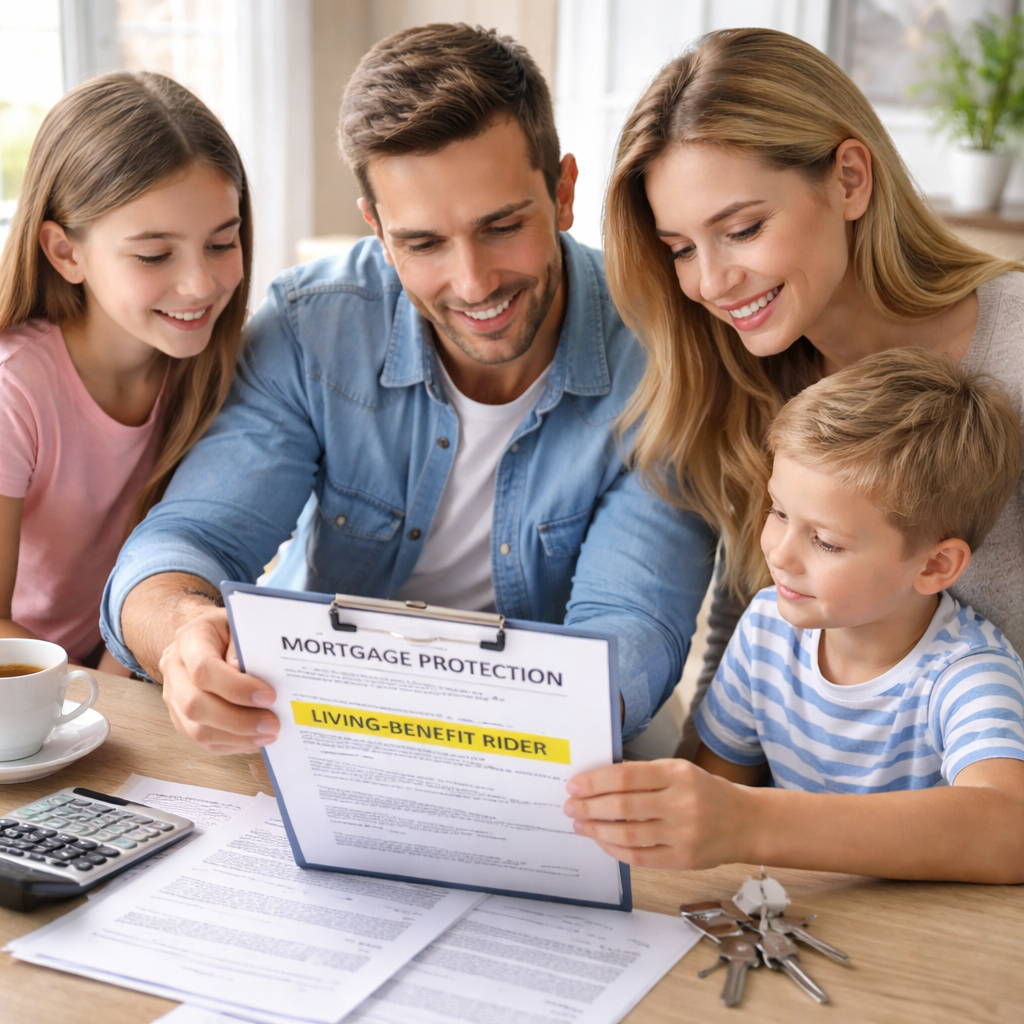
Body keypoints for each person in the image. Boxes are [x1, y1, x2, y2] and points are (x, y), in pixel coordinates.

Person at [100, 24, 715, 754]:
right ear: (380, 233)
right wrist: (183, 638)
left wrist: (469, 733)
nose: (474, 282)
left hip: (545, 737)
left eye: (502, 225)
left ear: (563, 191)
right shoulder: (311, 328)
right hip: (321, 724)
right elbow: (185, 542)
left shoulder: (664, 348)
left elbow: (631, 628)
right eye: (423, 243)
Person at [601, 27, 1024, 758]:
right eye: (679, 249)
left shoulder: (1012, 350)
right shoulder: (744, 381)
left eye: (743, 228)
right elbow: (752, 644)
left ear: (850, 179)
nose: (710, 282)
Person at [564, 348, 1024, 883]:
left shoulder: (969, 672)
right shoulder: (766, 628)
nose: (778, 552)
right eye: (778, 512)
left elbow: (1010, 829)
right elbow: (714, 788)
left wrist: (749, 820)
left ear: (936, 565)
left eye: (825, 542)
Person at [0, 73, 250, 675]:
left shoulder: (219, 368)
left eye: (221, 243)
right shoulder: (15, 390)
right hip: (36, 690)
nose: (200, 285)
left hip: (129, 668)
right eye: (154, 255)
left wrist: (135, 671)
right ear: (66, 253)